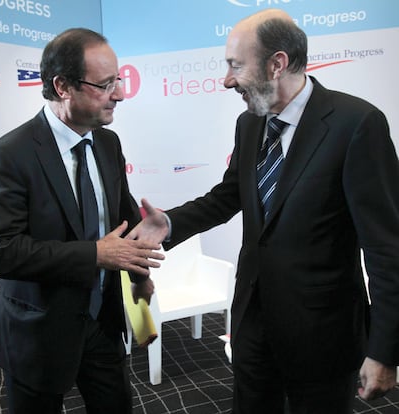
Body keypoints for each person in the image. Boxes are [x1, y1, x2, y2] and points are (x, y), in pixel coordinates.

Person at [127, 8, 399, 414]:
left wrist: (385, 350)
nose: (226, 79)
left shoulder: (357, 124)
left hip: (324, 331)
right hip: (253, 323)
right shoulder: (249, 123)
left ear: (277, 64)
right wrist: (169, 223)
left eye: (236, 65)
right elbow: (228, 196)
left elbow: (386, 248)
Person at [0, 28, 164, 414]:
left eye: (117, 81)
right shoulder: (7, 156)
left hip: (103, 322)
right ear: (62, 86)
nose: (119, 93)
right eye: (105, 84)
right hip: (39, 332)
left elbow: (122, 221)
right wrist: (93, 255)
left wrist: (139, 285)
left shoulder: (107, 142)